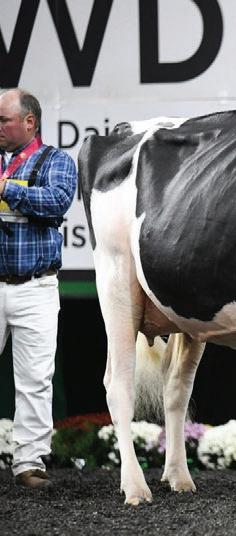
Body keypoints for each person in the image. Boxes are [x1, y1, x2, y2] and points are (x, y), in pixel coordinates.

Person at [0, 88, 77, 488]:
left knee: (35, 378)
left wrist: (6, 189)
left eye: (3, 120)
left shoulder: (56, 161)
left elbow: (56, 202)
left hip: (36, 286)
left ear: (29, 122)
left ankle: (29, 463)